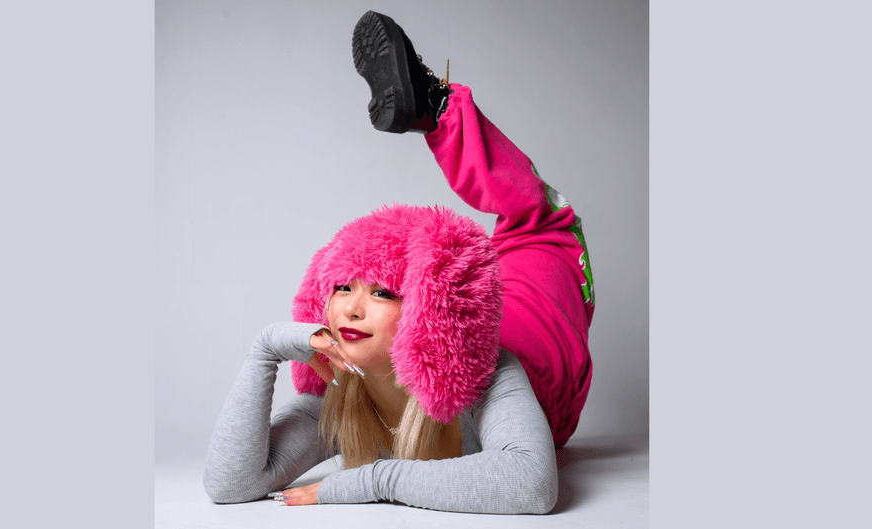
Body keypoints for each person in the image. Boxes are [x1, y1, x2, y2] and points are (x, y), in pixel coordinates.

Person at [203, 11, 594, 515]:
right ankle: (434, 110)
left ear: (427, 309)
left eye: (383, 292)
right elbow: (229, 484)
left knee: (540, 219)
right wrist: (264, 349)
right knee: (514, 226)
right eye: (343, 288)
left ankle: (438, 105)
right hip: (478, 312)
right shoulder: (343, 391)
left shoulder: (490, 373)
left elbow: (531, 485)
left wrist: (374, 480)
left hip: (541, 336)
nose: (351, 309)